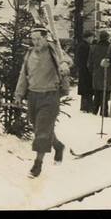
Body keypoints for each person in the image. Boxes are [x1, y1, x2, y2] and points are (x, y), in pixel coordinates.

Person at [14, 25, 71, 178]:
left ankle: (37, 165)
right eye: (33, 39)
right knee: (39, 127)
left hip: (50, 95)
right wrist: (19, 94)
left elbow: (67, 60)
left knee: (42, 131)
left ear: (46, 38)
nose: (36, 42)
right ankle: (58, 146)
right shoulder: (29, 54)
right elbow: (23, 75)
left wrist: (65, 64)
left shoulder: (54, 50)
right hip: (33, 96)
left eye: (39, 38)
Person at [88, 30, 111, 116]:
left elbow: (89, 63)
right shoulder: (110, 48)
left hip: (96, 73)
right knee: (105, 93)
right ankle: (104, 111)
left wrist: (92, 71)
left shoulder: (93, 48)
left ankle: (94, 111)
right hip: (107, 74)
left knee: (97, 93)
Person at [76, 31, 95, 113]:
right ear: (88, 37)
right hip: (86, 70)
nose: (92, 39)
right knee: (88, 89)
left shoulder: (81, 45)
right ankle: (88, 107)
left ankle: (84, 106)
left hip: (82, 70)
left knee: (84, 89)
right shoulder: (86, 47)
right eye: (92, 37)